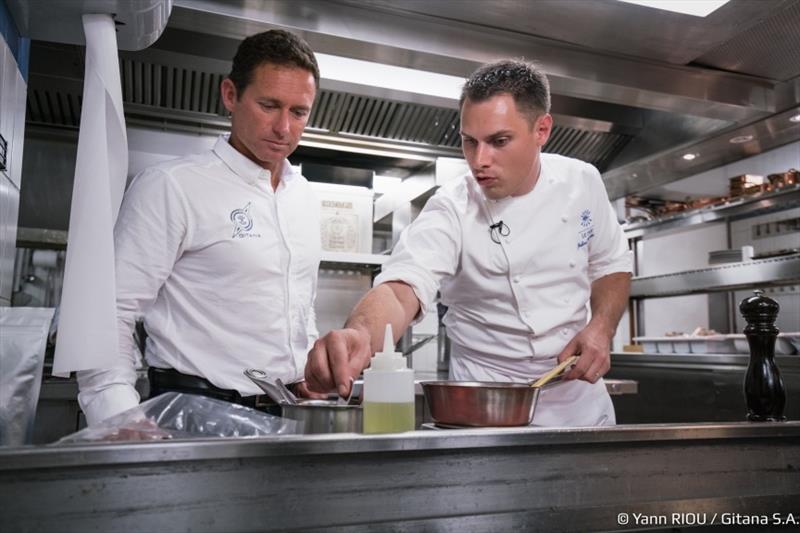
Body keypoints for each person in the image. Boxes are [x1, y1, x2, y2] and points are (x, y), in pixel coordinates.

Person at [305, 59, 632, 426]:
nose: (479, 161)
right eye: (468, 142)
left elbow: (611, 264)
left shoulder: (582, 182)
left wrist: (601, 328)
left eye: (499, 141)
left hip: (579, 405)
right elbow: (402, 288)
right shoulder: (452, 207)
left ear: (542, 130)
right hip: (485, 406)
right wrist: (360, 334)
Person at [77, 29, 324, 426]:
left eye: (298, 112)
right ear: (230, 95)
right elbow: (111, 312)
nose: (283, 128)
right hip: (193, 412)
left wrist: (304, 367)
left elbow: (299, 306)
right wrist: (118, 416)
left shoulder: (305, 198)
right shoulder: (172, 186)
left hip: (287, 415)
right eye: (268, 105)